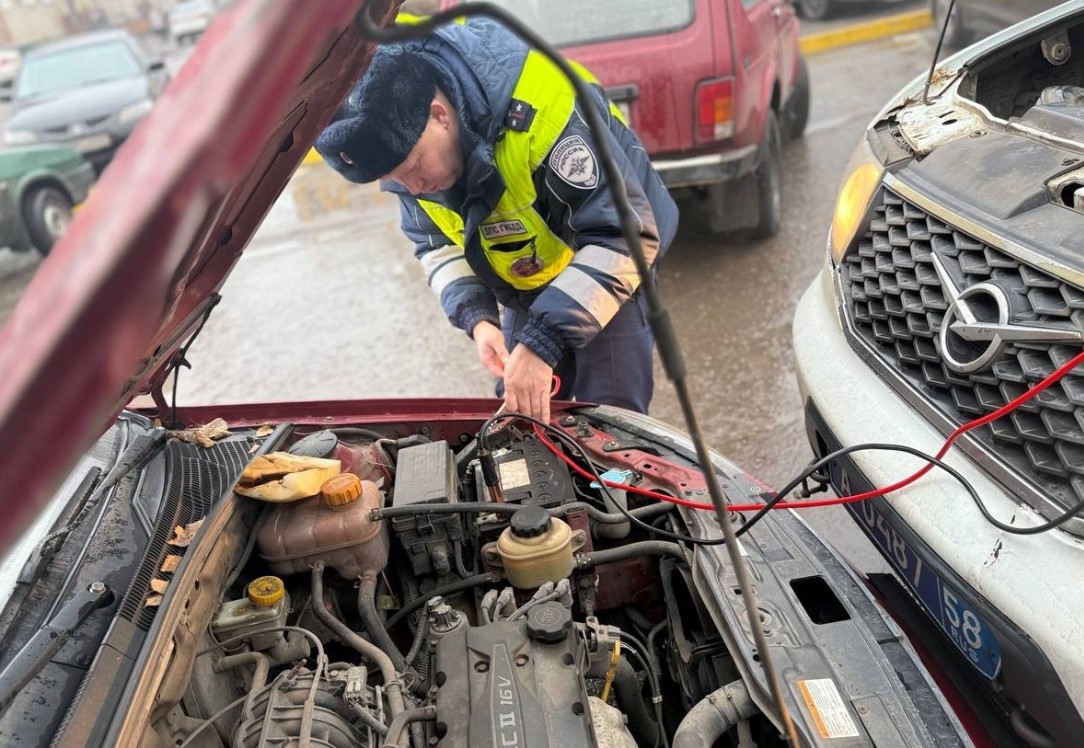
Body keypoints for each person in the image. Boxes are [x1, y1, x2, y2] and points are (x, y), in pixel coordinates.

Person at [316, 17, 678, 422]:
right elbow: (435, 246)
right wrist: (479, 319)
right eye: (394, 180)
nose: (412, 188)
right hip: (524, 278)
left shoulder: (541, 112)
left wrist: (543, 341)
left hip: (610, 263)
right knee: (521, 413)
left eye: (413, 167)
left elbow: (626, 239)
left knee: (609, 419)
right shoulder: (405, 156)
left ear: (439, 115)